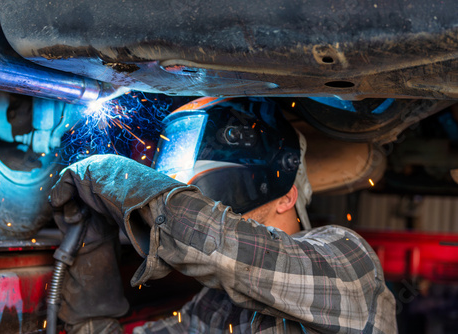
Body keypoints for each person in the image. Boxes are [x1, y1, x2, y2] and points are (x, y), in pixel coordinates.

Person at [49, 98, 397, 334]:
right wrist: (91, 248)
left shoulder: (349, 260)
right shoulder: (214, 307)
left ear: (285, 195)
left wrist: (120, 181)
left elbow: (229, 248)